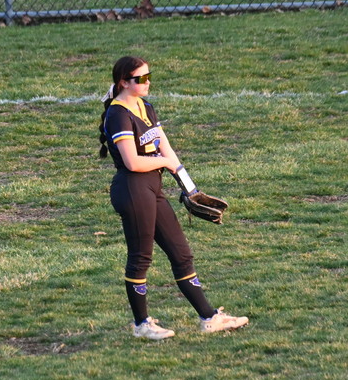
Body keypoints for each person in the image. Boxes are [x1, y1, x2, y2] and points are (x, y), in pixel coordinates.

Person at [97, 55, 249, 340]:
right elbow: (132, 162)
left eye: (148, 76)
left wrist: (189, 187)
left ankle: (209, 318)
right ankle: (141, 325)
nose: (147, 82)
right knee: (141, 257)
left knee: (181, 253)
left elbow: (165, 147)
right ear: (123, 83)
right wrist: (165, 162)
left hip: (151, 189)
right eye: (141, 78)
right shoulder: (118, 114)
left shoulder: (145, 106)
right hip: (132, 190)